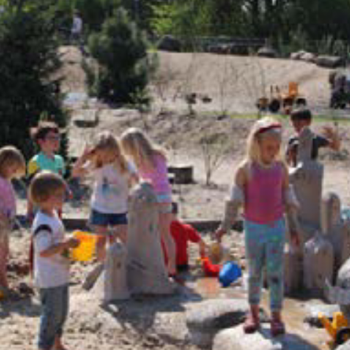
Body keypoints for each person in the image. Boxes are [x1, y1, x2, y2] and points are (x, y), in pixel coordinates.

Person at [215, 117, 300, 337]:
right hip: (253, 229)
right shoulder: (246, 169)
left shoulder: (281, 169)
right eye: (269, 147)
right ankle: (252, 312)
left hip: (275, 229)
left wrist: (294, 228)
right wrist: (225, 226)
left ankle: (276, 316)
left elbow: (288, 200)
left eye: (277, 147)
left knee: (275, 274)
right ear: (257, 144)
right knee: (253, 273)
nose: (273, 152)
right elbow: (233, 201)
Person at [29, 171, 80, 350]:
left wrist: (67, 245)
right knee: (51, 316)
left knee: (61, 314)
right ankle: (44, 346)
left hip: (60, 274)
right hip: (49, 278)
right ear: (44, 197)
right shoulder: (43, 222)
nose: (63, 198)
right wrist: (65, 244)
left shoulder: (53, 215)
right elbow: (43, 251)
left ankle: (57, 344)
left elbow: (56, 241)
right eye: (58, 195)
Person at [120, 128, 177, 278]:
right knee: (166, 234)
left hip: (150, 199)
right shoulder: (159, 154)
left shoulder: (137, 161)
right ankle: (171, 265)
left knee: (149, 233)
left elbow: (137, 182)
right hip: (165, 197)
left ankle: (149, 266)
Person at [72, 131, 138, 262]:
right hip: (100, 208)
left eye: (107, 155)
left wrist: (134, 191)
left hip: (121, 209)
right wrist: (83, 157)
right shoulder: (96, 163)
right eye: (101, 155)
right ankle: (103, 267)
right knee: (100, 241)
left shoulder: (125, 163)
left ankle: (124, 264)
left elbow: (137, 179)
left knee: (124, 239)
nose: (105, 158)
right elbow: (75, 173)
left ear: (115, 151)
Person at [27, 121, 66, 221]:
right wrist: (29, 210)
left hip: (55, 204)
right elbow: (31, 188)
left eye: (57, 137)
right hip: (41, 204)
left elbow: (61, 183)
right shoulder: (35, 162)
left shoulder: (59, 160)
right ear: (41, 141)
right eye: (52, 138)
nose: (56, 141)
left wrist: (60, 207)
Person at [0, 146, 25, 292]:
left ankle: (3, 278)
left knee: (5, 250)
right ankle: (3, 281)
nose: (14, 172)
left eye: (16, 169)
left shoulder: (6, 180)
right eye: (12, 168)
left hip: (6, 222)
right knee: (2, 252)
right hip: (1, 222)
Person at [163, 202, 207, 272]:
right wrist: (203, 258)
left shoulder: (159, 228)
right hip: (182, 265)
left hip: (164, 264)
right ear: (176, 213)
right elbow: (202, 243)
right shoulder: (186, 228)